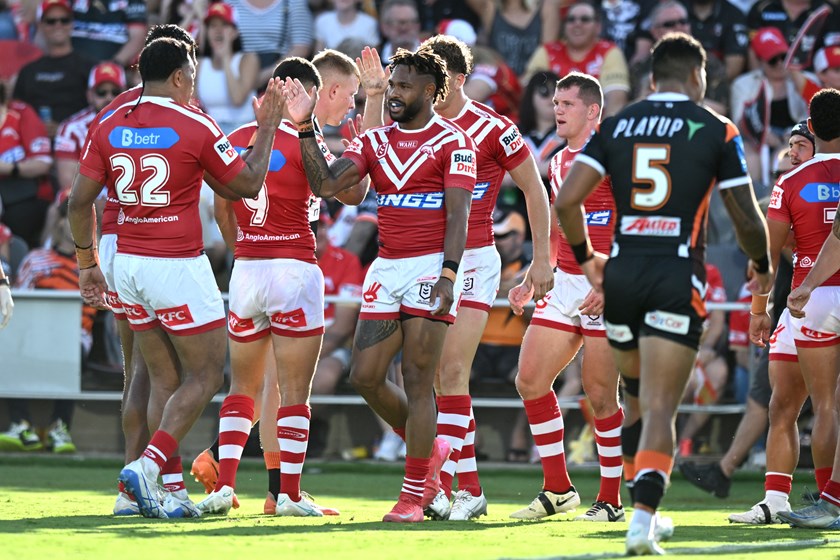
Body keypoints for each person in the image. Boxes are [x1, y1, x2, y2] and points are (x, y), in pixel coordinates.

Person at [554, 33, 772, 554]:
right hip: (676, 274)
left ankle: (640, 513)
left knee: (633, 404)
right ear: (697, 78)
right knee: (658, 410)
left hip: (623, 275)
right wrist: (763, 268)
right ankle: (642, 523)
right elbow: (744, 215)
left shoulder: (618, 124)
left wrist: (589, 261)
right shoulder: (715, 127)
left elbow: (566, 202)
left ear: (651, 78)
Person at [68, 36, 284, 519]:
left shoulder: (110, 121)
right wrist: (267, 127)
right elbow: (246, 183)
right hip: (177, 263)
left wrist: (87, 264)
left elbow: (78, 201)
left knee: (154, 375)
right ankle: (146, 468)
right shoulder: (194, 122)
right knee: (207, 373)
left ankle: (163, 489)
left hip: (123, 260)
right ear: (183, 76)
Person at [282, 46, 476, 522]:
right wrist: (307, 126)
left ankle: (414, 495)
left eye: (404, 85)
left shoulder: (454, 142)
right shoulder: (373, 141)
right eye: (392, 84)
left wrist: (450, 273)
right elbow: (329, 186)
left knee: (416, 377)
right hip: (386, 267)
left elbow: (459, 216)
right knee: (365, 376)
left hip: (432, 267)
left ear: (430, 90)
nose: (394, 93)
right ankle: (429, 455)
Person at [189, 48, 365, 513]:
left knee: (242, 388)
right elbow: (349, 191)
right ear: (305, 94)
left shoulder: (241, 136)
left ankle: (226, 486)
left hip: (246, 270)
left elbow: (221, 202)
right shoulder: (308, 143)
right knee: (292, 393)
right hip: (294, 267)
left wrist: (242, 245)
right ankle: (286, 494)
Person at [416, 34, 552, 522]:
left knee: (452, 370)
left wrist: (542, 258)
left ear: (455, 78)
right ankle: (467, 490)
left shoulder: (493, 127)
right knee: (438, 377)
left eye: (434, 77)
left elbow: (535, 191)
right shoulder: (416, 123)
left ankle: (441, 482)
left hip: (474, 258)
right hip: (426, 259)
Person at [74, 24, 203, 517]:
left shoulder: (116, 111)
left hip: (114, 240)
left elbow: (86, 188)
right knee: (161, 371)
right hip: (153, 246)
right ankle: (151, 482)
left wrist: (88, 261)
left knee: (138, 372)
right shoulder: (177, 109)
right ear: (177, 68)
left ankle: (132, 485)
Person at [505, 71, 622, 523]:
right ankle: (558, 489)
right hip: (568, 281)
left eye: (567, 104)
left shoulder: (612, 154)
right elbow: (559, 227)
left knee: (600, 393)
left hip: (604, 282)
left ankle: (610, 500)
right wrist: (539, 274)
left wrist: (610, 280)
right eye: (555, 102)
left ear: (593, 111)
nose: (557, 109)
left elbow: (633, 220)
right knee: (530, 380)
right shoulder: (556, 160)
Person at [679, 123, 814, 504]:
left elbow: (793, 252)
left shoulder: (815, 191)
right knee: (767, 400)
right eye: (788, 149)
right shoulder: (788, 192)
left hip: (813, 308)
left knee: (822, 403)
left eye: (801, 147)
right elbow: (767, 255)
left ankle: (828, 493)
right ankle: (732, 473)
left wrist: (779, 235)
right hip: (789, 312)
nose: (790, 156)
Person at [757, 88, 840, 530]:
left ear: (812, 128)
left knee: (825, 405)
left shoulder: (790, 182)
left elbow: (766, 254)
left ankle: (827, 503)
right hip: (814, 292)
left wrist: (758, 308)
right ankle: (824, 502)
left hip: (814, 298)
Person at [0, 194, 96, 455]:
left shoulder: (97, 264)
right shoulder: (36, 259)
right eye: (68, 216)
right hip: (35, 335)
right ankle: (20, 424)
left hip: (75, 337)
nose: (75, 222)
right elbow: (20, 305)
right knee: (9, 345)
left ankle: (59, 428)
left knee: (71, 352)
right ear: (60, 221)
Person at [522, 1, 629, 117]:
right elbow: (527, 93)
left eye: (585, 19)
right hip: (551, 128)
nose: (577, 24)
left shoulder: (609, 52)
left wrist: (604, 132)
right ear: (564, 26)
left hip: (594, 129)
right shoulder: (547, 52)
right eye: (571, 19)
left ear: (598, 27)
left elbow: (616, 99)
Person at [13, 0, 95, 138]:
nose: (58, 25)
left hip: (77, 144)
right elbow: (15, 113)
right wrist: (35, 128)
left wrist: (64, 129)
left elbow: (102, 110)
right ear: (41, 25)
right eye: (51, 21)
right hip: (34, 144)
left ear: (72, 23)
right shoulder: (28, 71)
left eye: (64, 20)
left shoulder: (90, 67)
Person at [54, 62, 127, 192]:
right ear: (89, 95)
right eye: (101, 92)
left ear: (126, 94)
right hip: (87, 200)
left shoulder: (141, 124)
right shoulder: (71, 128)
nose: (108, 97)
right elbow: (67, 180)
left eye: (115, 92)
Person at [195, 2, 259, 134]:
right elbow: (193, 105)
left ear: (235, 32)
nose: (218, 31)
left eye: (224, 25)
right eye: (213, 26)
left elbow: (237, 99)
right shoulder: (199, 64)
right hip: (212, 132)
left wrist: (225, 58)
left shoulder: (248, 59)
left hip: (244, 130)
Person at [224, 0, 313, 87]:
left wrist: (264, 76)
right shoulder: (230, 2)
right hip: (235, 75)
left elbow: (301, 47)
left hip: (279, 80)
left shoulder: (294, 2)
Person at [70, 0, 146, 66]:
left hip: (114, 68)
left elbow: (138, 37)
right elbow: (59, 28)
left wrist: (115, 64)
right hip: (72, 65)